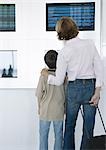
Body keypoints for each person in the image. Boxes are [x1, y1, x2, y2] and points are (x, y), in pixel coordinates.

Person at [41, 17, 104, 150]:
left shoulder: (64, 52)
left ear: (60, 33)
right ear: (75, 28)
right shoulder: (89, 44)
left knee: (69, 126)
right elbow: (99, 68)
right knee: (88, 127)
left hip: (74, 88)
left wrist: (47, 75)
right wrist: (97, 92)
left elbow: (58, 81)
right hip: (90, 88)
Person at [36, 50, 65, 150]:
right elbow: (66, 94)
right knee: (59, 136)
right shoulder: (62, 76)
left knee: (43, 136)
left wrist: (39, 107)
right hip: (59, 110)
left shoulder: (43, 76)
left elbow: (39, 94)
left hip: (45, 110)